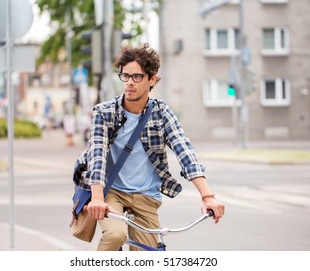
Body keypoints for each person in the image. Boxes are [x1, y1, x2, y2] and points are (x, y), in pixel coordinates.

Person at [83, 43, 225, 251]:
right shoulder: (105, 113)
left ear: (152, 80)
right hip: (111, 192)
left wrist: (208, 196)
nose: (129, 83)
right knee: (116, 235)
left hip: (146, 195)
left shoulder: (161, 113)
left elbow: (185, 152)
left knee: (147, 255)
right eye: (125, 76)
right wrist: (96, 198)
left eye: (137, 77)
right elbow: (96, 157)